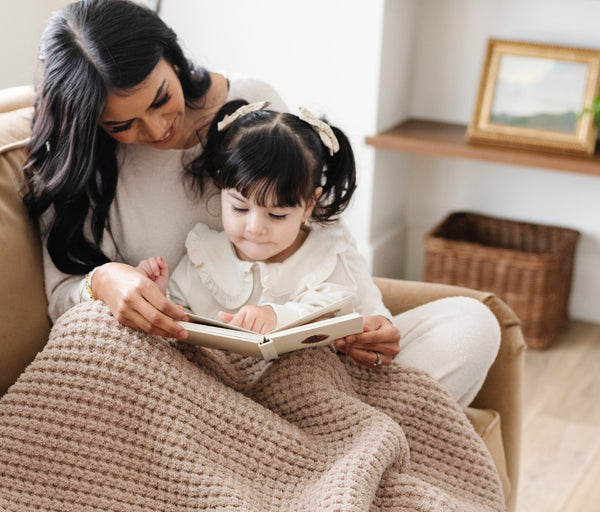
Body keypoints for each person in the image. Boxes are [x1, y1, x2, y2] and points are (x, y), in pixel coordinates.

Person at [24, 0, 499, 406]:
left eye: (159, 99)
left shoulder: (252, 102)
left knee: (470, 323)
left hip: (303, 357)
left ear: (170, 56)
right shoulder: (76, 163)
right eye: (120, 125)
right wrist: (103, 282)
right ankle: (307, 458)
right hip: (192, 379)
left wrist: (378, 328)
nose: (153, 130)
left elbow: (318, 237)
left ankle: (333, 452)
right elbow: (63, 302)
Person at [136, 100, 367, 337]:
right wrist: (158, 295)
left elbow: (339, 312)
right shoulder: (203, 255)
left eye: (277, 215)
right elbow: (178, 322)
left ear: (309, 204)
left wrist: (276, 316)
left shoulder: (324, 256)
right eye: (240, 208)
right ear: (222, 188)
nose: (255, 229)